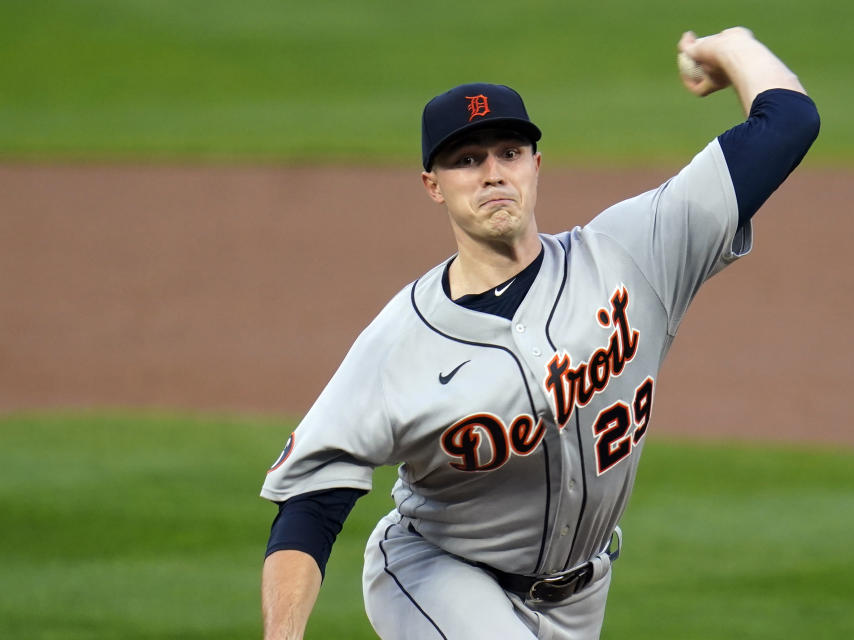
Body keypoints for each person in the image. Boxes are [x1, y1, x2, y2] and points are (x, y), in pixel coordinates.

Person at [260, 27, 820, 640]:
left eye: (509, 151)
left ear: (536, 164)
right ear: (433, 185)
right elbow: (311, 505)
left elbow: (789, 121)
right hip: (437, 574)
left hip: (583, 593)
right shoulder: (398, 344)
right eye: (467, 160)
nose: (493, 173)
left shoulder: (632, 254)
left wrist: (729, 47)